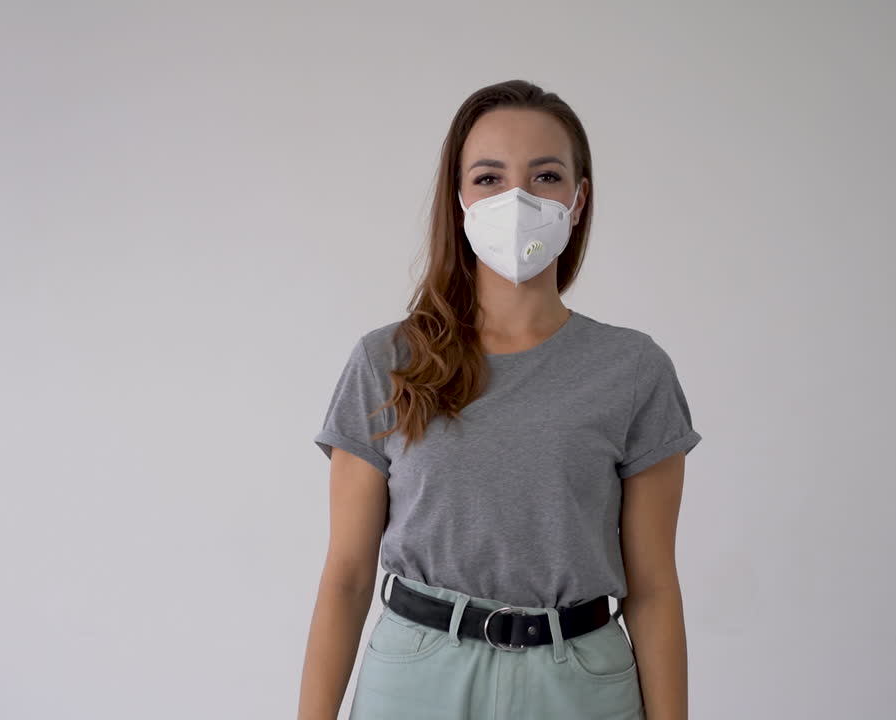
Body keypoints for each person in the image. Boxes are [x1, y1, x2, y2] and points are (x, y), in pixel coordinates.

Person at [297, 79, 702, 720]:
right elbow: (347, 575)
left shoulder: (633, 370)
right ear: (459, 199)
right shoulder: (387, 361)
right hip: (417, 677)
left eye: (545, 175)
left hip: (581, 683)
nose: (516, 197)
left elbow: (653, 588)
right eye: (489, 177)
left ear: (578, 198)